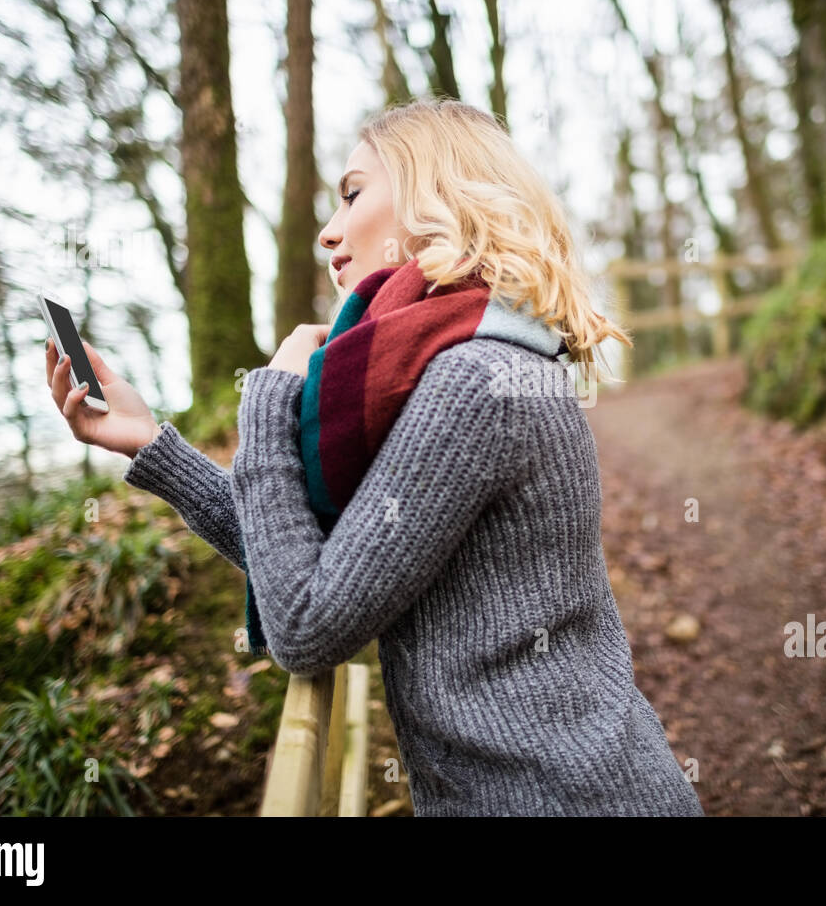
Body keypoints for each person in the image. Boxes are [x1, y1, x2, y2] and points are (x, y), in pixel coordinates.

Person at [45, 97, 704, 817]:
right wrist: (153, 446)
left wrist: (269, 396)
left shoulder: (473, 381)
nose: (328, 233)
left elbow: (305, 626)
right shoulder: (470, 358)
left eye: (354, 193)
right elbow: (327, 566)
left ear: (436, 196)